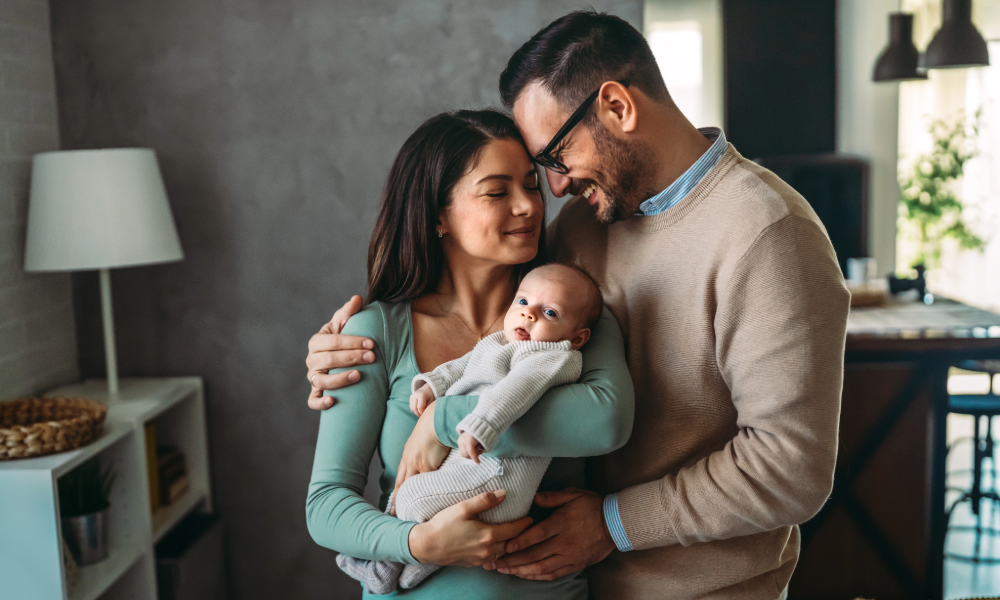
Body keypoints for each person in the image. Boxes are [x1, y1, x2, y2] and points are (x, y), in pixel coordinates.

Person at [306, 10, 850, 600]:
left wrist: (611, 523)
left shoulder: (768, 233)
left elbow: (790, 469)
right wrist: (340, 349)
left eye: (555, 158)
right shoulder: (583, 228)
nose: (554, 190)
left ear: (617, 107)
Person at [305, 109, 634, 600]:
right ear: (438, 215)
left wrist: (442, 419)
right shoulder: (376, 332)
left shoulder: (568, 314)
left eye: (531, 186)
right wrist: (417, 543)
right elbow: (326, 504)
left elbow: (606, 422)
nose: (528, 206)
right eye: (497, 193)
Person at [336, 263, 605, 595]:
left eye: (549, 313)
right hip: (472, 471)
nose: (529, 315)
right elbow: (462, 367)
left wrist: (482, 425)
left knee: (414, 497)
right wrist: (433, 385)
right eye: (523, 302)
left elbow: (517, 391)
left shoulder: (553, 357)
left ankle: (387, 571)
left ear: (577, 338)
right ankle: (397, 569)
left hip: (498, 477)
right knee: (412, 494)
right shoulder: (499, 343)